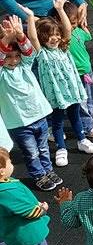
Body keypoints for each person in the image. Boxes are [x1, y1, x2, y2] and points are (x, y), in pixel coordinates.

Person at [25, 0, 93, 166]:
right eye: (49, 35)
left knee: (75, 116)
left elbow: (66, 28)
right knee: (57, 122)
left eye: (56, 34)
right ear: (43, 37)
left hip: (71, 90)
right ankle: (61, 148)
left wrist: (60, 9)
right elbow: (33, 37)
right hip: (56, 94)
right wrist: (30, 17)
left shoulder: (64, 47)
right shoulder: (41, 53)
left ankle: (81, 139)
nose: (54, 38)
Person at [0, 15, 60, 190]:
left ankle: (48, 170)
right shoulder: (2, 74)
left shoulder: (24, 66)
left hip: (39, 116)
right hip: (20, 123)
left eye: (16, 56)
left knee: (43, 148)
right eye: (9, 57)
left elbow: (28, 51)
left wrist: (19, 35)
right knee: (31, 153)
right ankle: (39, 175)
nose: (13, 60)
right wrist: (7, 38)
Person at [0, 147, 63, 245]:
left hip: (12, 233)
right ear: (2, 170)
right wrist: (42, 208)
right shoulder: (7, 192)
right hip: (28, 233)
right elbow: (28, 211)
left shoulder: (5, 186)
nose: (12, 164)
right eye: (10, 161)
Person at [62, 1, 93, 140]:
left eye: (74, 22)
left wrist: (81, 21)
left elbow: (89, 36)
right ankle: (87, 126)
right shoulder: (63, 38)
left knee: (90, 95)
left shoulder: (79, 31)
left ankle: (91, 116)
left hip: (86, 69)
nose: (71, 26)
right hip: (75, 73)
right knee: (81, 100)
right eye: (68, 23)